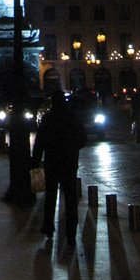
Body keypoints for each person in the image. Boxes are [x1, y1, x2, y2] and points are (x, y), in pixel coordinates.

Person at [31, 90, 87, 245]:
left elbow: (39, 142)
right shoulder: (73, 118)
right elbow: (83, 138)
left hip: (52, 162)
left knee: (50, 196)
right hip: (69, 162)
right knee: (70, 198)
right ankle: (71, 234)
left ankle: (48, 227)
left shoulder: (48, 119)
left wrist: (35, 161)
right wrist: (73, 148)